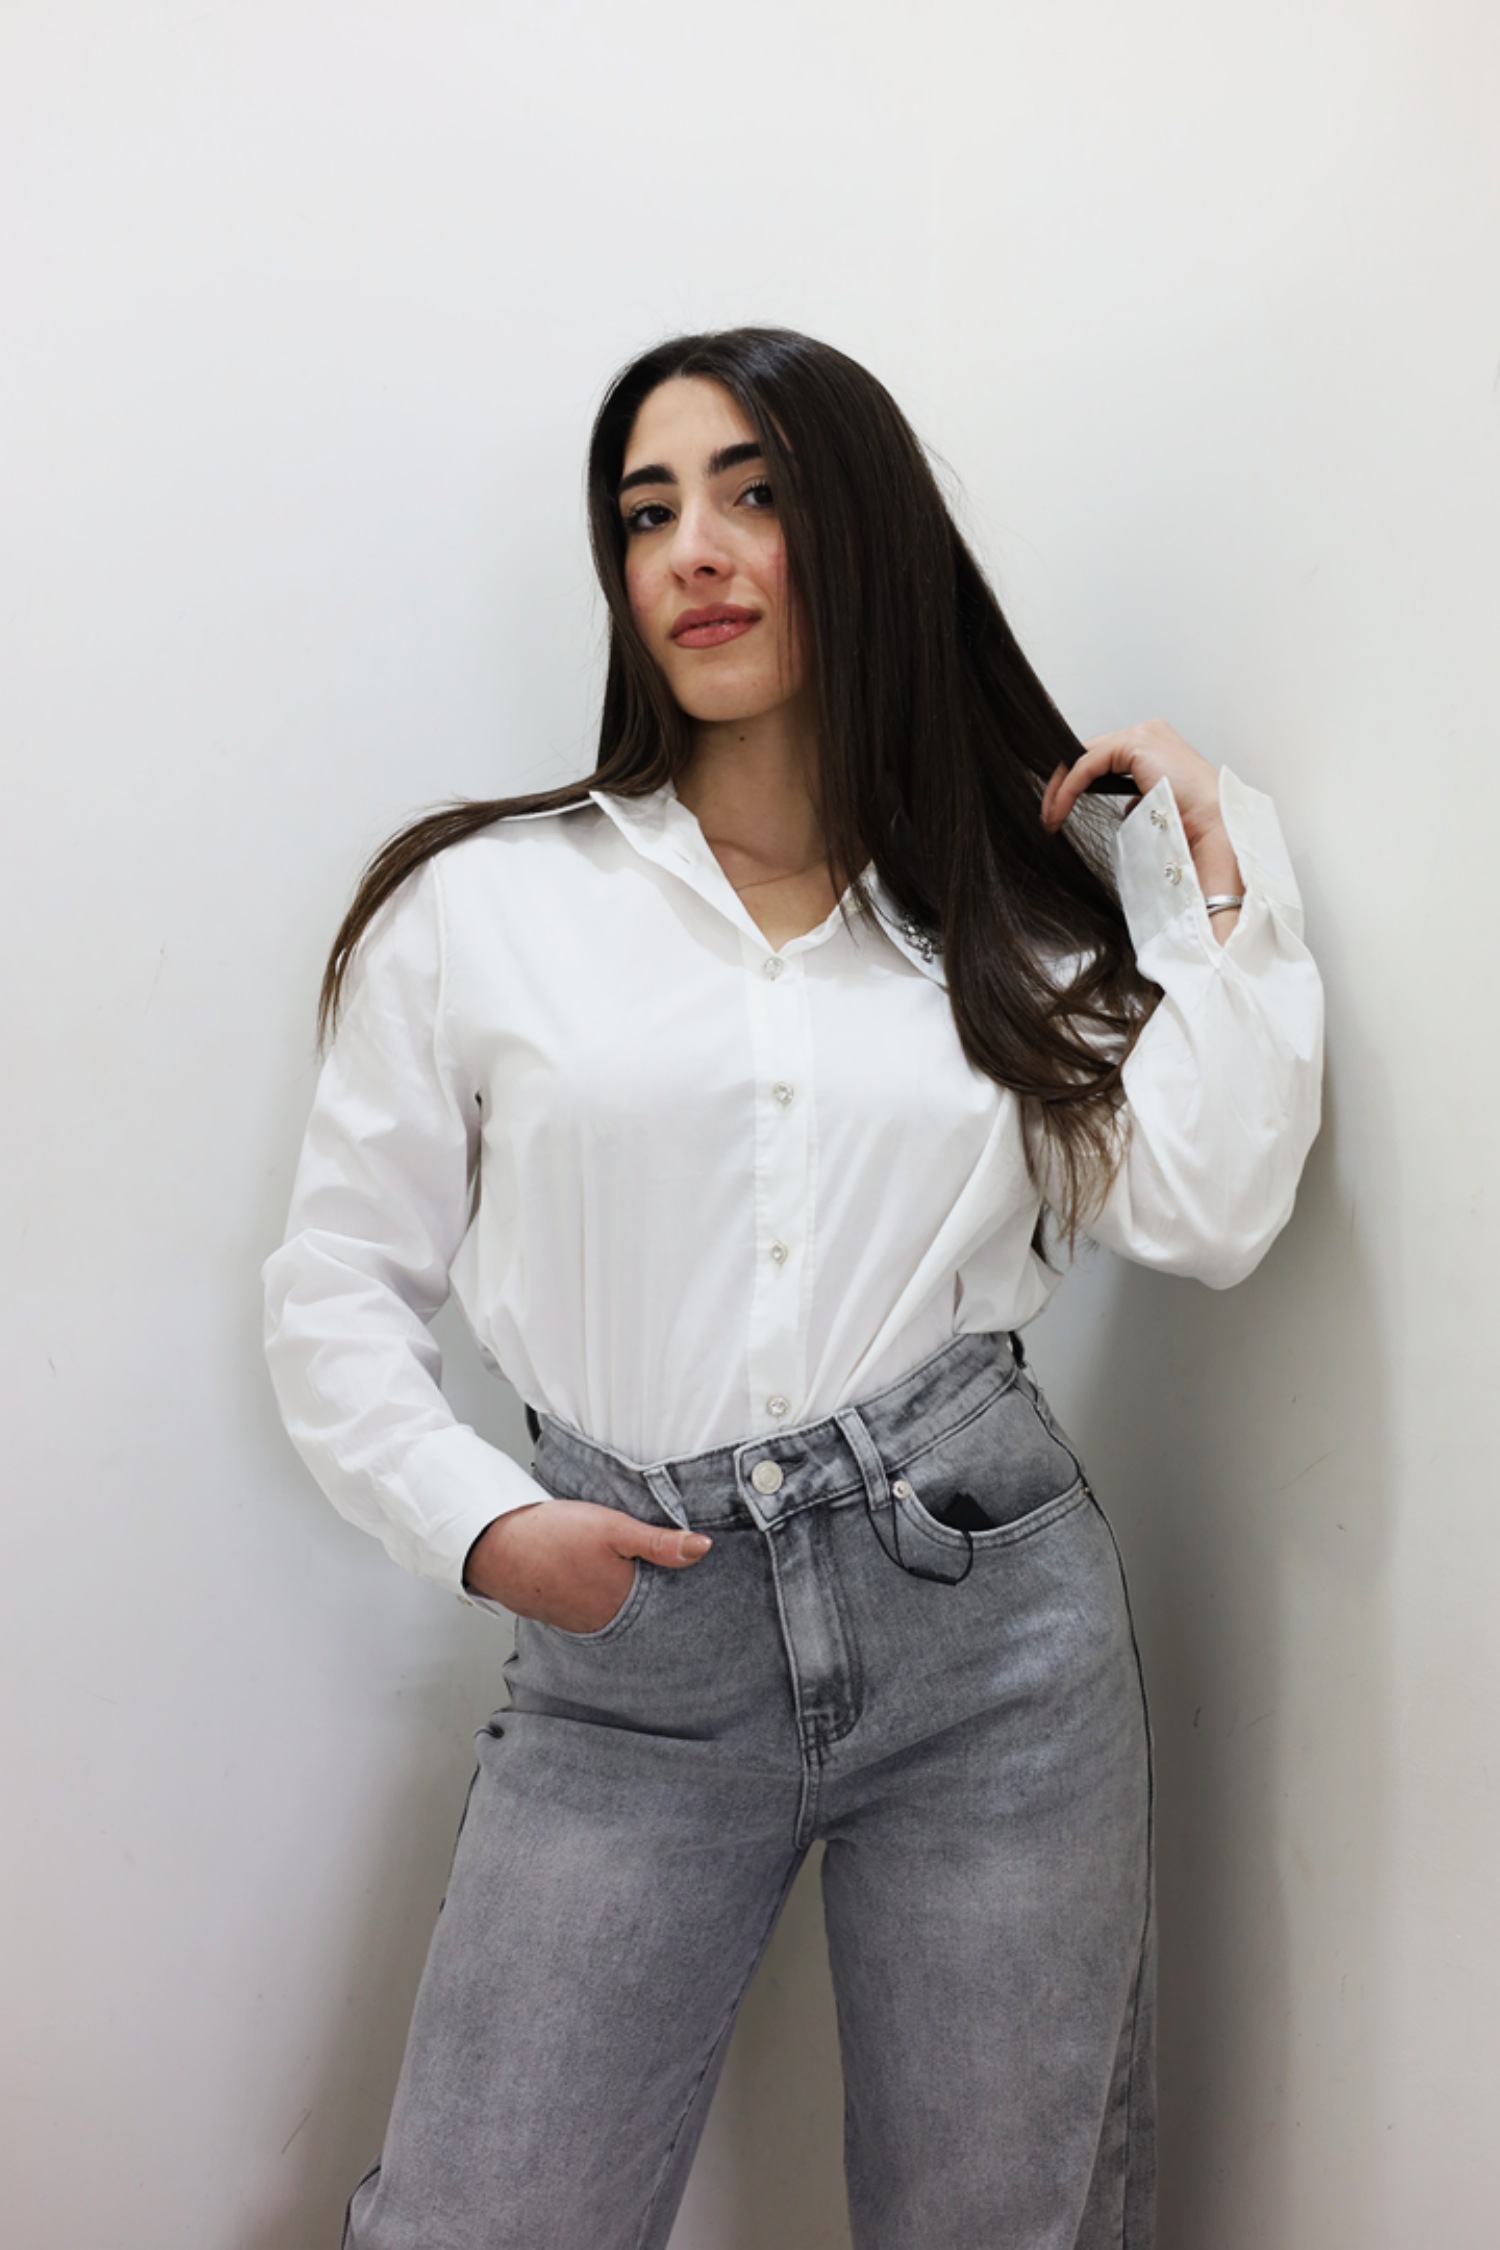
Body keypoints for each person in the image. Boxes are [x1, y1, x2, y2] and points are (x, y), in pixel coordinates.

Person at [262, 326, 1323, 2250]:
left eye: (753, 492)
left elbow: (1215, 1203)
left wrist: (1198, 881)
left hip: (987, 1622)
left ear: (862, 531)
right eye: (647, 509)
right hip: (631, 1650)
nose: (693, 546)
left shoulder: (994, 913)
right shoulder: (488, 905)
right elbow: (337, 1284)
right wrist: (483, 1523)